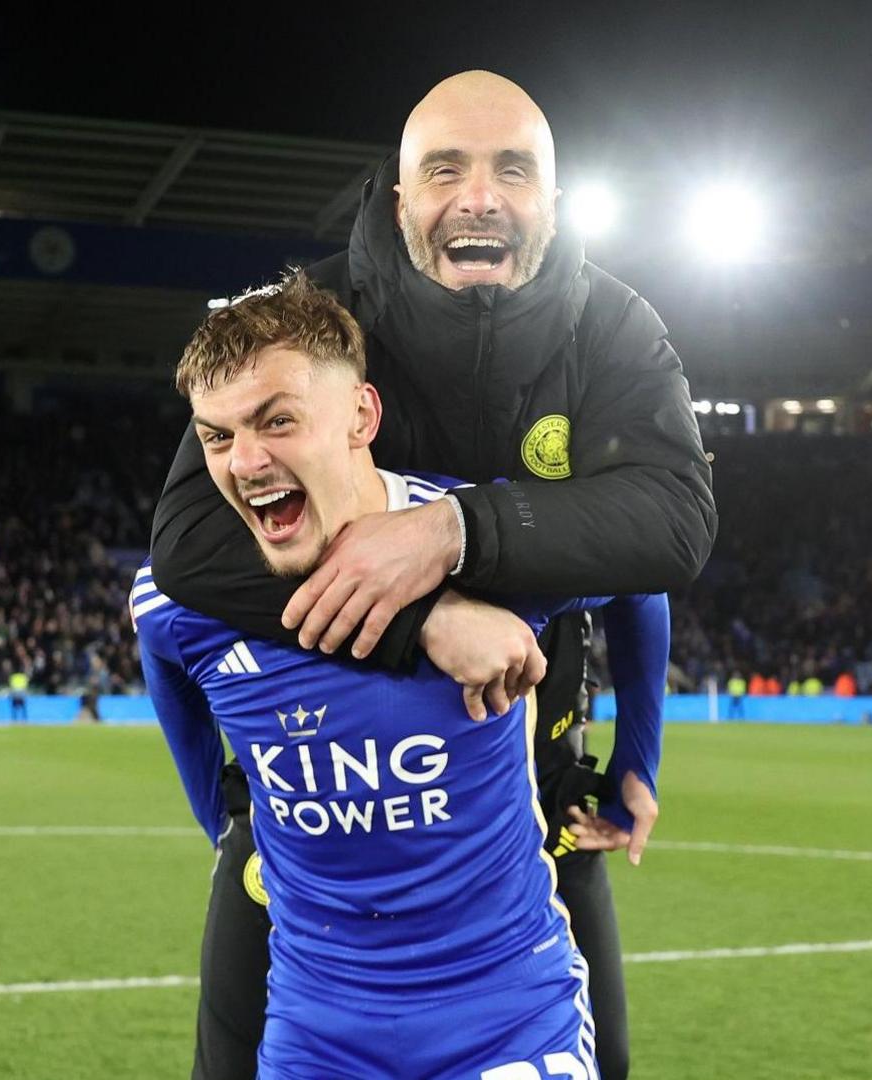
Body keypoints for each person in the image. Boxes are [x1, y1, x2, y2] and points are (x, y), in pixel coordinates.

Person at [149, 72, 711, 1080]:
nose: (480, 196)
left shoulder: (614, 329)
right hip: (304, 822)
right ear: (399, 198)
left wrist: (453, 532)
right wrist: (429, 618)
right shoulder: (307, 324)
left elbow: (665, 535)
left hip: (528, 809)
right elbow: (187, 546)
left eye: (514, 170)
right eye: (444, 169)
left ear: (553, 198)